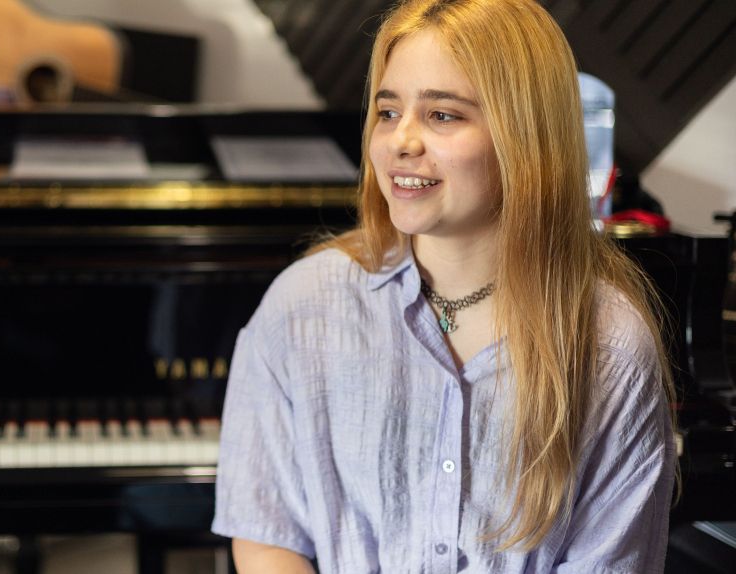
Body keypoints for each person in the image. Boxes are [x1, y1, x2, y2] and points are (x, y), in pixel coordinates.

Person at [211, 0, 677, 572]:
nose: (400, 141)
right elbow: (267, 535)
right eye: (388, 112)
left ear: (525, 136)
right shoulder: (302, 305)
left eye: (443, 115)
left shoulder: (610, 346)